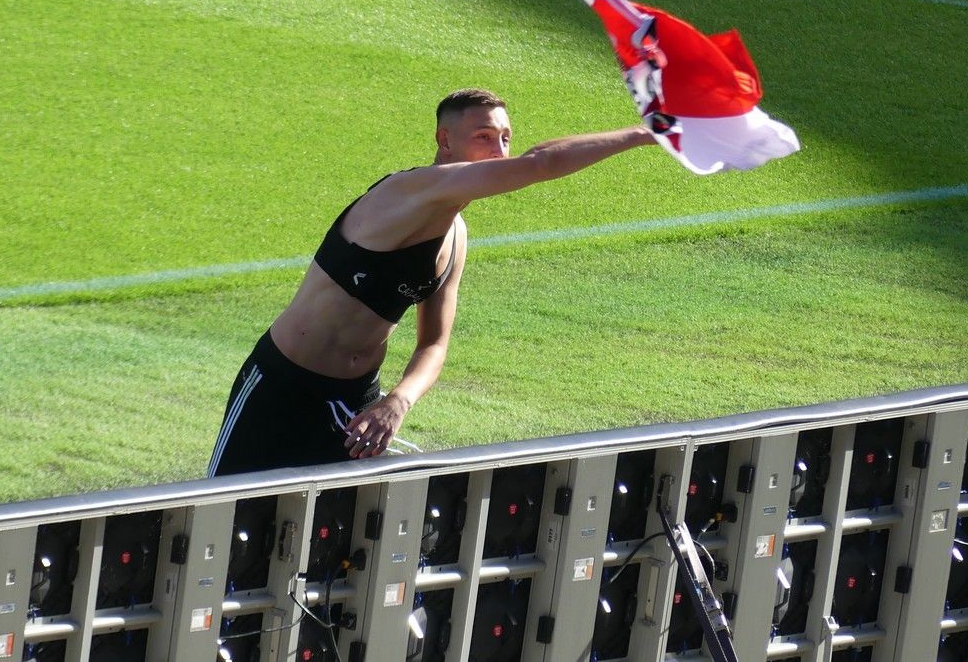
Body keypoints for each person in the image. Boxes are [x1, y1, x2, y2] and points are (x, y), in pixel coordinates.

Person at [209, 89, 655, 475]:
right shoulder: (408, 192)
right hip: (282, 388)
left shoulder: (456, 237)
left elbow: (433, 346)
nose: (500, 153)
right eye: (484, 138)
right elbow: (542, 163)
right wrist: (645, 133)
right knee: (222, 523)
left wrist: (397, 401)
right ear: (445, 140)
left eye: (505, 139)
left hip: (356, 404)